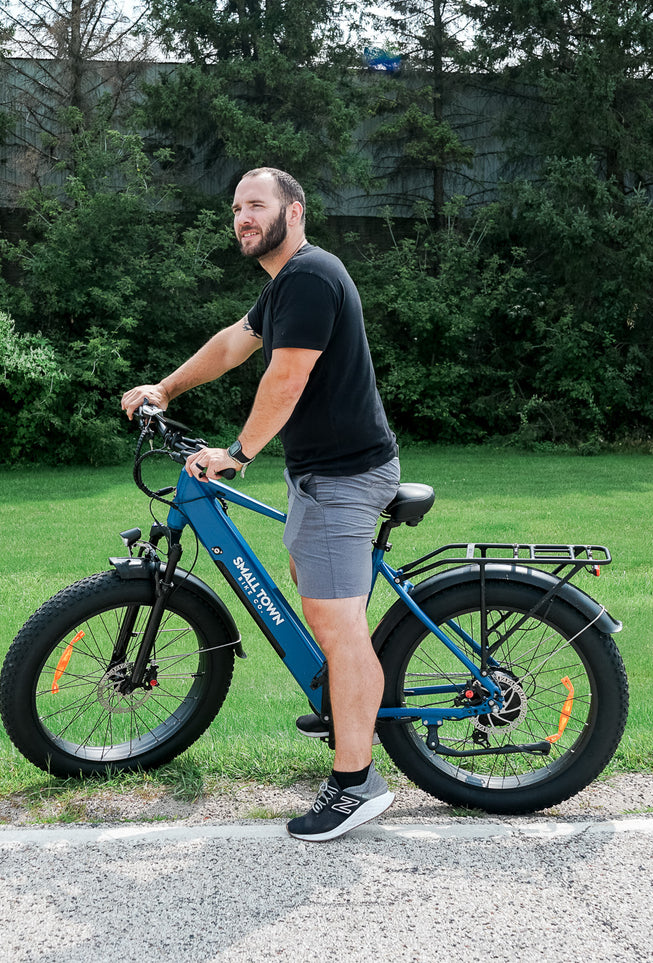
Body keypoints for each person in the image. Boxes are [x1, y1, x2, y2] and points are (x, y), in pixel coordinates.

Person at [120, 167, 401, 842]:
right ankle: (346, 706)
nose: (243, 217)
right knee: (325, 602)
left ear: (293, 212)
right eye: (237, 207)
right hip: (319, 473)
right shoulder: (286, 285)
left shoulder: (308, 275)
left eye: (257, 205)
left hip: (343, 477)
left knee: (336, 626)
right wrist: (166, 386)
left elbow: (287, 374)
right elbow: (233, 344)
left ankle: (355, 780)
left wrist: (237, 454)